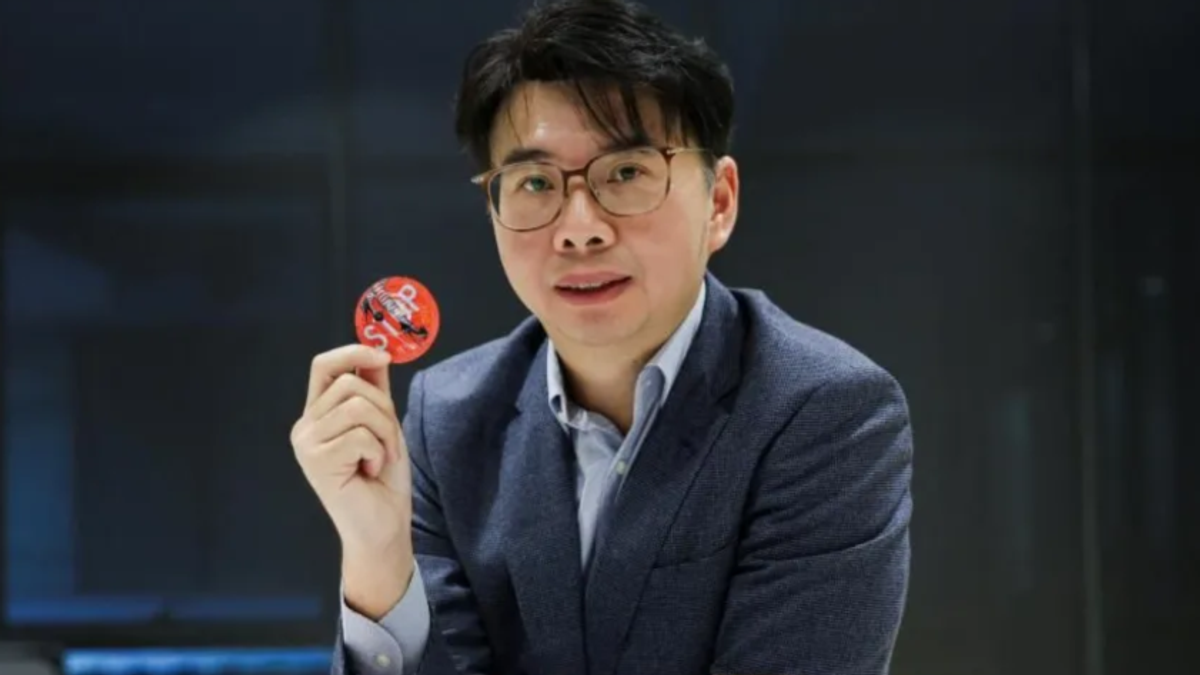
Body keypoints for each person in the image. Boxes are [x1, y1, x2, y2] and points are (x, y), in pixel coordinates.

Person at [289, 0, 915, 673]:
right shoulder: (447, 419)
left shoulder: (822, 410)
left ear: (720, 202)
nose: (579, 228)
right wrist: (378, 556)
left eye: (625, 173)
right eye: (535, 182)